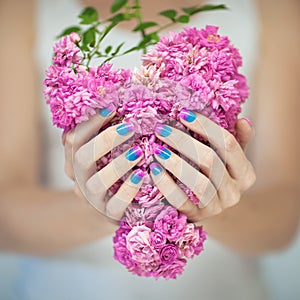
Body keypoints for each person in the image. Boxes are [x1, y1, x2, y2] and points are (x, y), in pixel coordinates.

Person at [0, 0, 299, 299]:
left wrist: (214, 210)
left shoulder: (276, 8)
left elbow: (283, 215)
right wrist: (97, 210)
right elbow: (6, 217)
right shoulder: (18, 9)